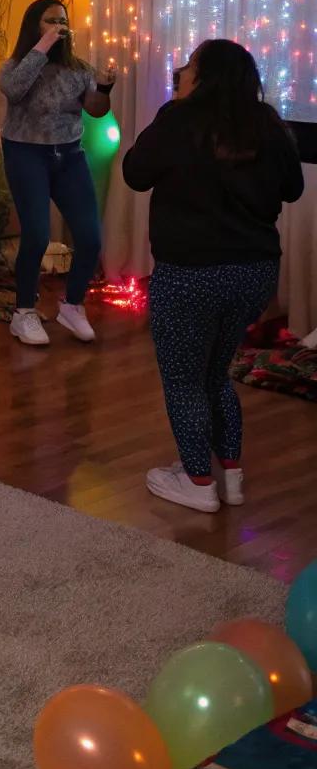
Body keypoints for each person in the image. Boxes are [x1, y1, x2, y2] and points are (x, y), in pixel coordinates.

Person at [122, 39, 304, 513]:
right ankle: (231, 476)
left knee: (184, 380)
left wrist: (172, 115)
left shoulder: (178, 118)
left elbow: (135, 172)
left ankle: (198, 482)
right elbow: (294, 187)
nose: (180, 71)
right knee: (215, 374)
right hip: (254, 273)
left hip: (190, 275)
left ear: (203, 77)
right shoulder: (265, 123)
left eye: (190, 65)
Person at [0, 0, 116, 346]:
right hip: (25, 153)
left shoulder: (78, 68)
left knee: (91, 236)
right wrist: (44, 45)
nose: (60, 27)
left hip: (69, 155)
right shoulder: (17, 64)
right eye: (51, 21)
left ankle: (73, 305)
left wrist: (106, 87)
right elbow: (15, 90)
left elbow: (95, 109)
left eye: (63, 21)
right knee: (36, 234)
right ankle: (23, 313)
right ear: (34, 24)